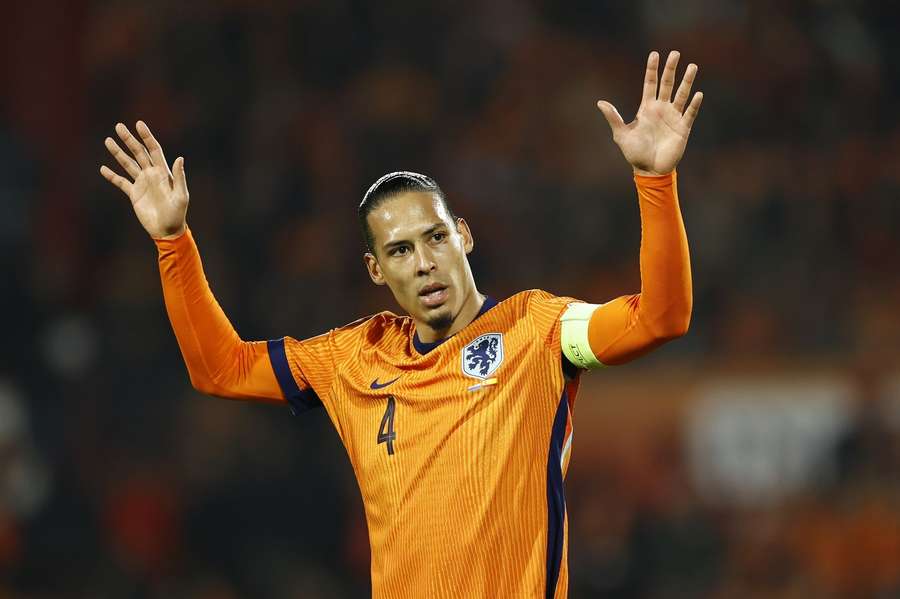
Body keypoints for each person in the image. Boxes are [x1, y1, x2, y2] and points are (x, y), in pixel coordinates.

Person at [100, 50, 702, 599]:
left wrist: (655, 180)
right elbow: (220, 369)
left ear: (463, 236)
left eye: (436, 237)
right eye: (400, 251)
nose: (425, 263)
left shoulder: (537, 329)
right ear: (376, 270)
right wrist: (172, 241)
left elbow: (661, 318)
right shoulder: (354, 358)